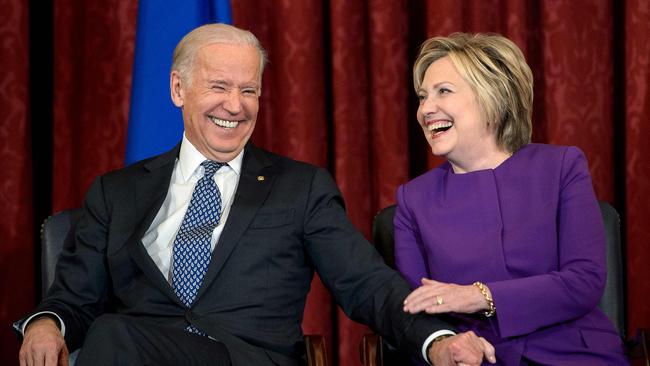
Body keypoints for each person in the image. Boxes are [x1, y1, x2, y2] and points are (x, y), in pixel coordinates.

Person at [16, 24, 496, 366]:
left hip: (244, 358)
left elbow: (366, 283)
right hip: (135, 353)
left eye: (250, 90)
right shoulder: (116, 192)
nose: (235, 105)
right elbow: (73, 299)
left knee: (111, 334)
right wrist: (45, 325)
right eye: (219, 86)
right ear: (178, 89)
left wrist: (435, 339)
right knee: (111, 334)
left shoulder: (299, 187)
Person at [397, 32, 629, 365]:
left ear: (492, 96)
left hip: (573, 353)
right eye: (422, 97)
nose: (425, 110)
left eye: (443, 92)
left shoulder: (561, 167)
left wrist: (478, 296)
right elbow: (417, 310)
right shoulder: (413, 200)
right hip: (478, 358)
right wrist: (449, 344)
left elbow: (585, 280)